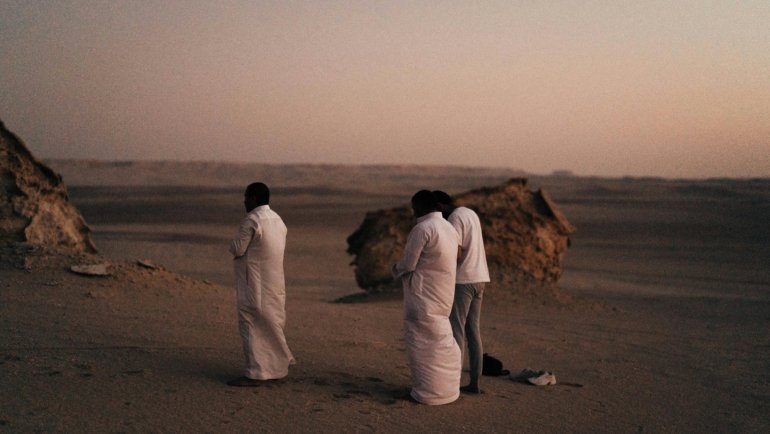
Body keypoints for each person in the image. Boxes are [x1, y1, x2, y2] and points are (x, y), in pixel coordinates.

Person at [392, 190, 462, 405]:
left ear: (422, 206)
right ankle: (447, 391)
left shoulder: (422, 229)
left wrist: (395, 269)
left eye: (415, 207)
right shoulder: (450, 228)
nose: (413, 212)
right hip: (443, 294)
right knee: (440, 341)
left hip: (422, 297)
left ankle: (427, 393)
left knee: (421, 345)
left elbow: (409, 263)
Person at [227, 182, 295, 386]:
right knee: (272, 324)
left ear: (254, 198)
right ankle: (277, 370)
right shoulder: (278, 219)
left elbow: (237, 249)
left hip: (253, 284)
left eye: (246, 197)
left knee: (251, 326)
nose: (244, 201)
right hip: (274, 283)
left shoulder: (252, 220)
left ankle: (254, 374)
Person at [434, 190, 490, 394]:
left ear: (440, 206)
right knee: (473, 332)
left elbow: (456, 252)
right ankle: (475, 382)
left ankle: (453, 384)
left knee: (456, 330)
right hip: (480, 277)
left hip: (463, 280)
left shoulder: (455, 219)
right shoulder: (470, 213)